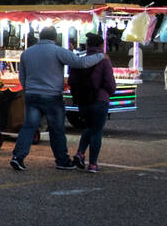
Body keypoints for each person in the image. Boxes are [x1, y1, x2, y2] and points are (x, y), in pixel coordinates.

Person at [9, 26, 105, 172]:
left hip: (31, 95)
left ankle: (18, 157)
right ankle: (62, 160)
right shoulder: (58, 51)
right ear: (55, 37)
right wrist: (100, 56)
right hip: (52, 96)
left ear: (40, 36)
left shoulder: (27, 53)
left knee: (29, 126)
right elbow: (80, 63)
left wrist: (28, 88)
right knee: (57, 129)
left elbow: (22, 76)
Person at [70, 32, 116, 173]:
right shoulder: (104, 60)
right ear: (102, 45)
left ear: (88, 45)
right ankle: (93, 164)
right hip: (99, 100)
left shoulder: (80, 59)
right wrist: (110, 91)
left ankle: (80, 153)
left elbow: (72, 80)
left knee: (89, 128)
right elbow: (110, 84)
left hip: (83, 101)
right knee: (96, 131)